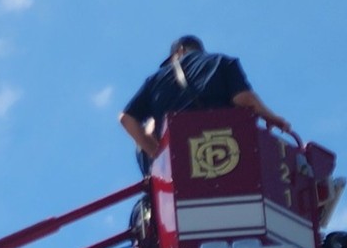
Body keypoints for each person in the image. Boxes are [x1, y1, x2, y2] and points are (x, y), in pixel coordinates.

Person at [119, 35, 295, 168]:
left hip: (179, 162)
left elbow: (126, 118)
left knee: (148, 129)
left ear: (179, 51)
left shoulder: (155, 80)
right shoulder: (223, 62)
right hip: (227, 153)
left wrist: (157, 154)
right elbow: (245, 99)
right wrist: (272, 118)